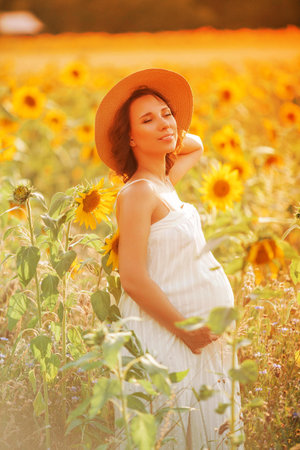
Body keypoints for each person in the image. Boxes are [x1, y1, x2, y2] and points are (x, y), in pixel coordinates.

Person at [95, 68, 244, 449]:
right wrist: (186, 330)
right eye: (147, 119)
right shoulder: (138, 193)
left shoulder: (164, 182)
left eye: (166, 112)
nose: (164, 122)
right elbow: (132, 277)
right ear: (129, 137)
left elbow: (196, 145)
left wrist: (166, 128)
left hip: (195, 340)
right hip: (167, 337)